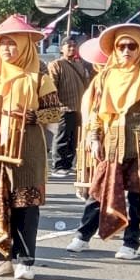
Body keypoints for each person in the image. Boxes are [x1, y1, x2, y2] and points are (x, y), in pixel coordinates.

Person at [67, 24, 140, 260]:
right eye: (121, 46)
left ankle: (131, 243)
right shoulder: (106, 75)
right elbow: (96, 111)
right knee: (99, 190)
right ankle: (83, 236)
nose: (126, 50)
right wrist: (94, 138)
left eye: (132, 46)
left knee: (137, 195)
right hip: (111, 140)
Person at [0, 16, 65, 279]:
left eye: (12, 44)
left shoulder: (38, 78)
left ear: (25, 47)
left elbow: (54, 112)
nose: (6, 50)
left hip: (27, 150)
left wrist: (34, 117)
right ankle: (0, 258)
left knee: (25, 205)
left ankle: (25, 260)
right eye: (2, 44)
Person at [47, 36, 91, 176]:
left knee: (74, 137)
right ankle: (58, 165)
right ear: (62, 48)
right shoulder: (56, 64)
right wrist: (56, 105)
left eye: (73, 45)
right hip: (64, 108)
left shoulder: (80, 65)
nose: (72, 48)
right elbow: (52, 86)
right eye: (68, 46)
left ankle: (68, 164)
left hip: (79, 108)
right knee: (62, 137)